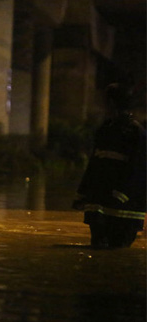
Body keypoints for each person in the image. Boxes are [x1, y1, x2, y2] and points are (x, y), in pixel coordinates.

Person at [72, 83, 146, 248]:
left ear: (111, 103)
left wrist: (121, 195)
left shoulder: (135, 132)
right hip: (99, 208)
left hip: (124, 212)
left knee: (115, 255)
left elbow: (140, 170)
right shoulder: (106, 129)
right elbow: (95, 163)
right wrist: (82, 194)